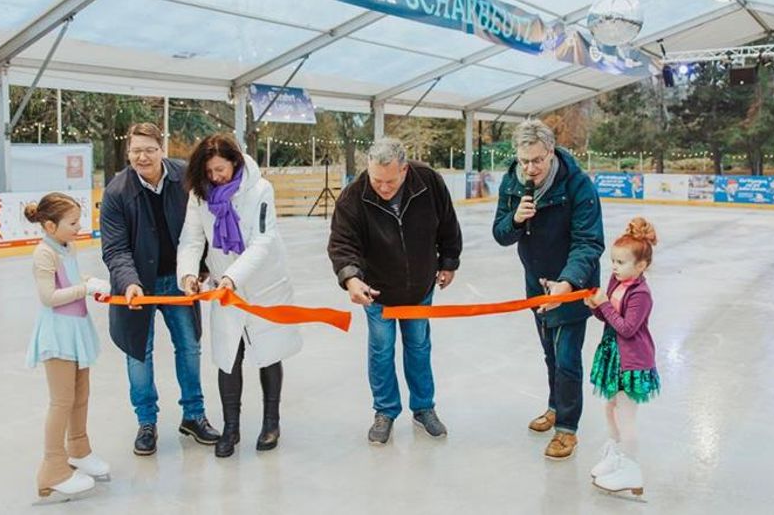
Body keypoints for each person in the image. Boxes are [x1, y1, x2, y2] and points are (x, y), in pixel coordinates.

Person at [328, 137, 462, 445]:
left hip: (419, 287)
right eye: (377, 180)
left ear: (404, 170)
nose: (383, 187)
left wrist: (449, 261)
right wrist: (351, 278)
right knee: (381, 350)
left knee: (419, 346)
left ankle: (424, 408)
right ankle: (385, 411)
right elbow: (342, 243)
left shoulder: (428, 182)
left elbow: (448, 224)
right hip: (378, 291)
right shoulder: (353, 196)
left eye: (390, 181)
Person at [176, 134, 302, 458]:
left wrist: (234, 277)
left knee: (269, 351)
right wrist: (188, 273)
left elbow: (263, 240)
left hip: (263, 283)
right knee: (228, 355)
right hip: (224, 286)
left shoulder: (260, 190)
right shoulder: (199, 194)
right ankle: (231, 428)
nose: (215, 177)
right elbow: (192, 238)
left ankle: (271, 423)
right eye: (209, 172)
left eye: (220, 169)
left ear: (234, 161)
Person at [100, 123, 219, 456]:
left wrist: (201, 268)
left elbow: (203, 227)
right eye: (136, 150)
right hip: (139, 288)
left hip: (179, 281)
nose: (143, 157)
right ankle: (146, 422)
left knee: (189, 347)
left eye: (149, 150)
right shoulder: (116, 193)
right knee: (140, 353)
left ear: (161, 149)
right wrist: (130, 283)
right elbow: (115, 249)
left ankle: (193, 415)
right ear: (128, 152)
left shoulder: (185, 177)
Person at [492, 119, 604, 460]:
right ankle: (556, 406)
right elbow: (500, 234)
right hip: (537, 286)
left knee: (567, 359)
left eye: (537, 160)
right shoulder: (512, 182)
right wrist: (515, 219)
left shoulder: (577, 185)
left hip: (572, 287)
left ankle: (567, 429)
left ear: (551, 152)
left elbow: (589, 242)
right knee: (550, 354)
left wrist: (566, 284)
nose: (530, 168)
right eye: (524, 160)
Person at [24, 193, 110, 502]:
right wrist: (84, 288)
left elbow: (71, 277)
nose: (79, 227)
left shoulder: (67, 247)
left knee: (80, 395)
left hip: (77, 330)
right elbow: (49, 296)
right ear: (50, 226)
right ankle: (53, 468)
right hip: (58, 335)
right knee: (61, 401)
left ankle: (79, 449)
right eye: (72, 223)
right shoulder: (44, 253)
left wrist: (91, 281)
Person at [584, 217, 660, 497]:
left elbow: (627, 328)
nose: (614, 267)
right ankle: (616, 454)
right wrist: (595, 306)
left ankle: (631, 468)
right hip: (613, 355)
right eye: (613, 261)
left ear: (641, 266)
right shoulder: (617, 282)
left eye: (621, 263)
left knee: (626, 416)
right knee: (610, 408)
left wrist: (604, 304)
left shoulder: (641, 294)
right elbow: (607, 317)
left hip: (632, 362)